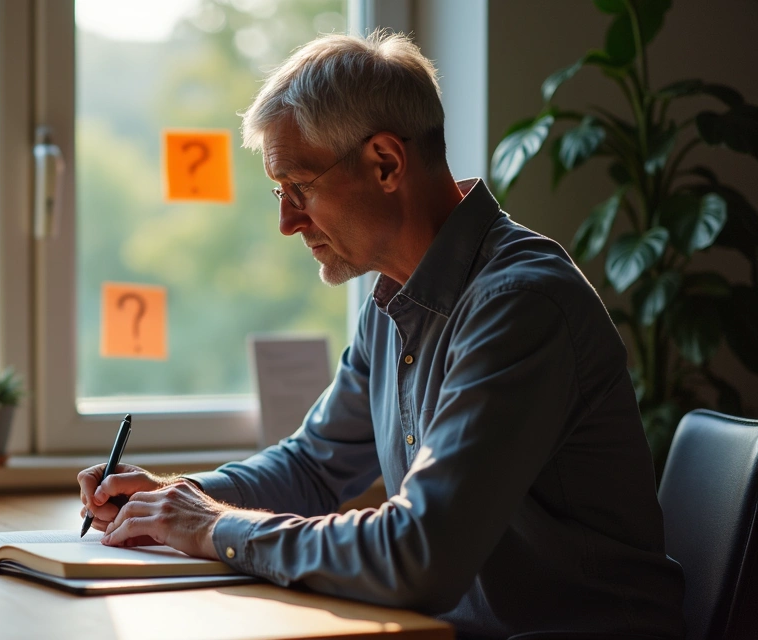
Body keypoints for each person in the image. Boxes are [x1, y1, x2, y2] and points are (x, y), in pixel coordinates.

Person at [76, 31, 685, 638]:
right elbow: (313, 466)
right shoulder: (395, 298)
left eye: (300, 187)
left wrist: (211, 525)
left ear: (386, 163)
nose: (286, 221)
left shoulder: (520, 305)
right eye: (279, 192)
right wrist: (176, 497)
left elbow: (420, 552)